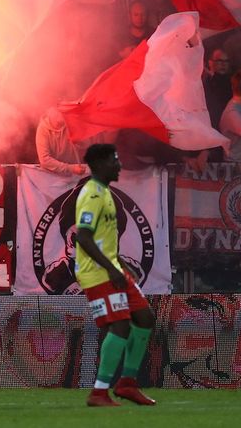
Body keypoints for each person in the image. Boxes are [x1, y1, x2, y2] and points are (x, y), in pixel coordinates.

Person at [75, 143, 156, 407]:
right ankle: (99, 393)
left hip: (111, 268)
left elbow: (101, 238)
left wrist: (119, 263)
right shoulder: (92, 195)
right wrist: (111, 268)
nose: (119, 165)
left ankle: (127, 384)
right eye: (114, 160)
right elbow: (83, 236)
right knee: (120, 325)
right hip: (97, 273)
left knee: (144, 316)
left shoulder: (106, 192)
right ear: (99, 164)